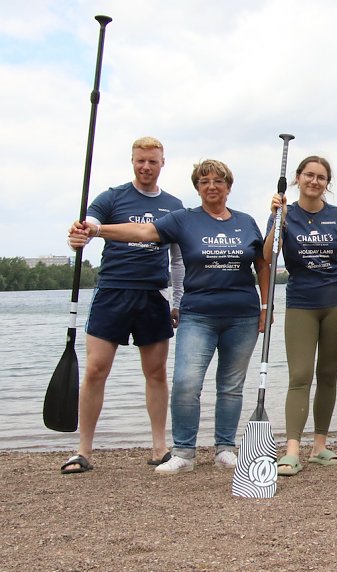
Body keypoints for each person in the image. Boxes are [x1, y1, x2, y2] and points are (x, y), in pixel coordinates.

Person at [70, 159, 269, 475]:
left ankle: (225, 449)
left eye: (219, 181)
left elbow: (262, 264)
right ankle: (184, 453)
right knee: (186, 382)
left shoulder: (246, 222)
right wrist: (96, 229)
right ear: (197, 188)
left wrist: (264, 307)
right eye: (204, 181)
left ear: (229, 187)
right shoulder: (183, 220)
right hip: (197, 315)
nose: (212, 186)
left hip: (242, 315)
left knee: (231, 386)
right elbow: (143, 230)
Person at [60, 136, 184, 475]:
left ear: (162, 163)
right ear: (133, 161)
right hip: (113, 292)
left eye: (152, 161)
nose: (146, 167)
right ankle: (83, 450)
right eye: (140, 161)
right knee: (96, 370)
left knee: (156, 373)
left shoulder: (174, 205)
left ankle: (160, 448)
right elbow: (85, 229)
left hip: (153, 296)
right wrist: (77, 236)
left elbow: (177, 260)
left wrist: (177, 301)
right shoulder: (110, 197)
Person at [265, 155, 337, 476]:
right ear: (298, 178)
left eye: (321, 177)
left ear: (326, 183)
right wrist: (276, 218)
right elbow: (267, 256)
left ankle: (319, 446)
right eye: (309, 175)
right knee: (300, 375)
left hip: (336, 305)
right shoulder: (283, 215)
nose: (314, 181)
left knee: (328, 375)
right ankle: (292, 449)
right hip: (301, 305)